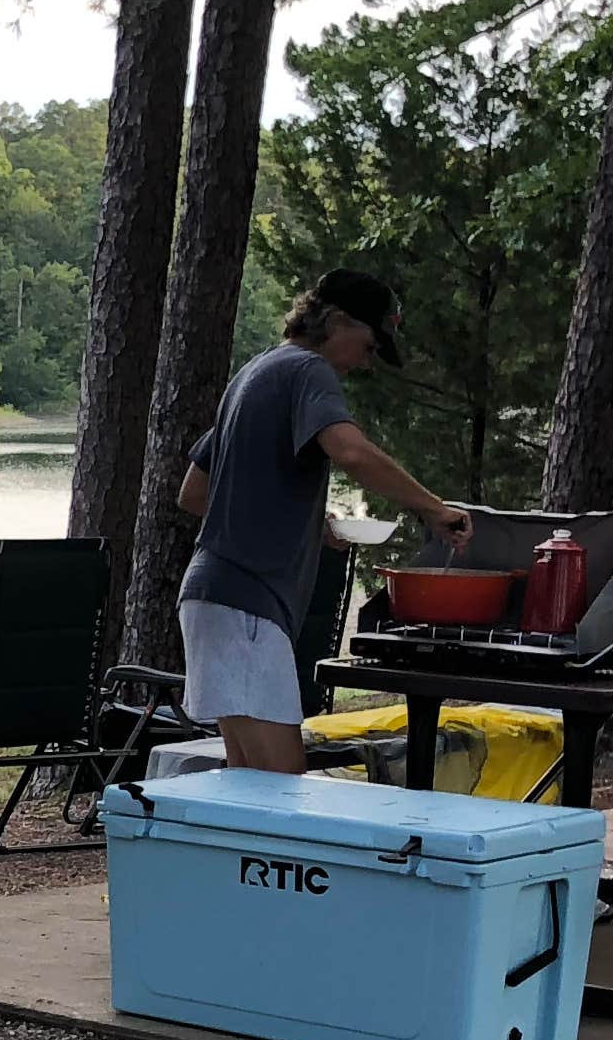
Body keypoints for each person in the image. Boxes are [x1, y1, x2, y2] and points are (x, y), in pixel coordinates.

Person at [174, 268, 468, 773]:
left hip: (212, 597)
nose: (367, 363)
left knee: (246, 784)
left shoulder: (256, 371)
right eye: (371, 346)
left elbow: (194, 493)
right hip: (247, 602)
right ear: (334, 321)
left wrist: (307, 524)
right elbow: (350, 451)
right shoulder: (309, 370)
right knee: (283, 786)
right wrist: (434, 507)